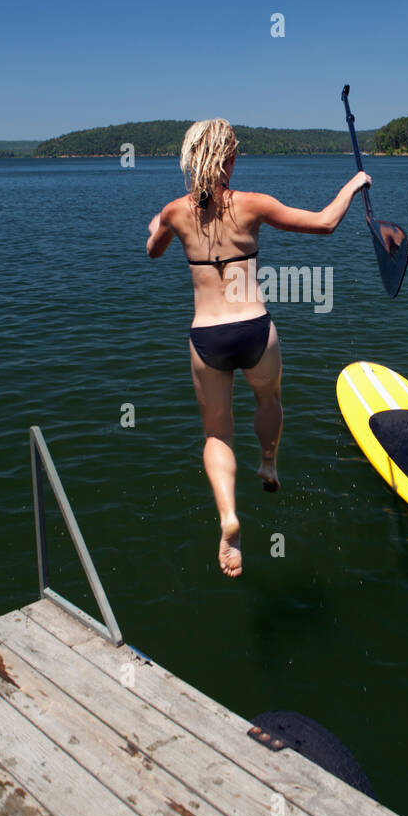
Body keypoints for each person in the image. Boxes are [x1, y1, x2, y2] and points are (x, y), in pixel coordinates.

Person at [146, 118, 371, 578]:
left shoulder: (175, 211)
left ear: (193, 160)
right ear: (229, 158)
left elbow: (152, 250)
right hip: (254, 329)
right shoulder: (253, 205)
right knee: (269, 398)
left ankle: (228, 515)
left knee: (216, 434)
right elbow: (325, 224)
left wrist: (159, 223)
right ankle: (268, 464)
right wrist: (354, 183)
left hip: (207, 336)